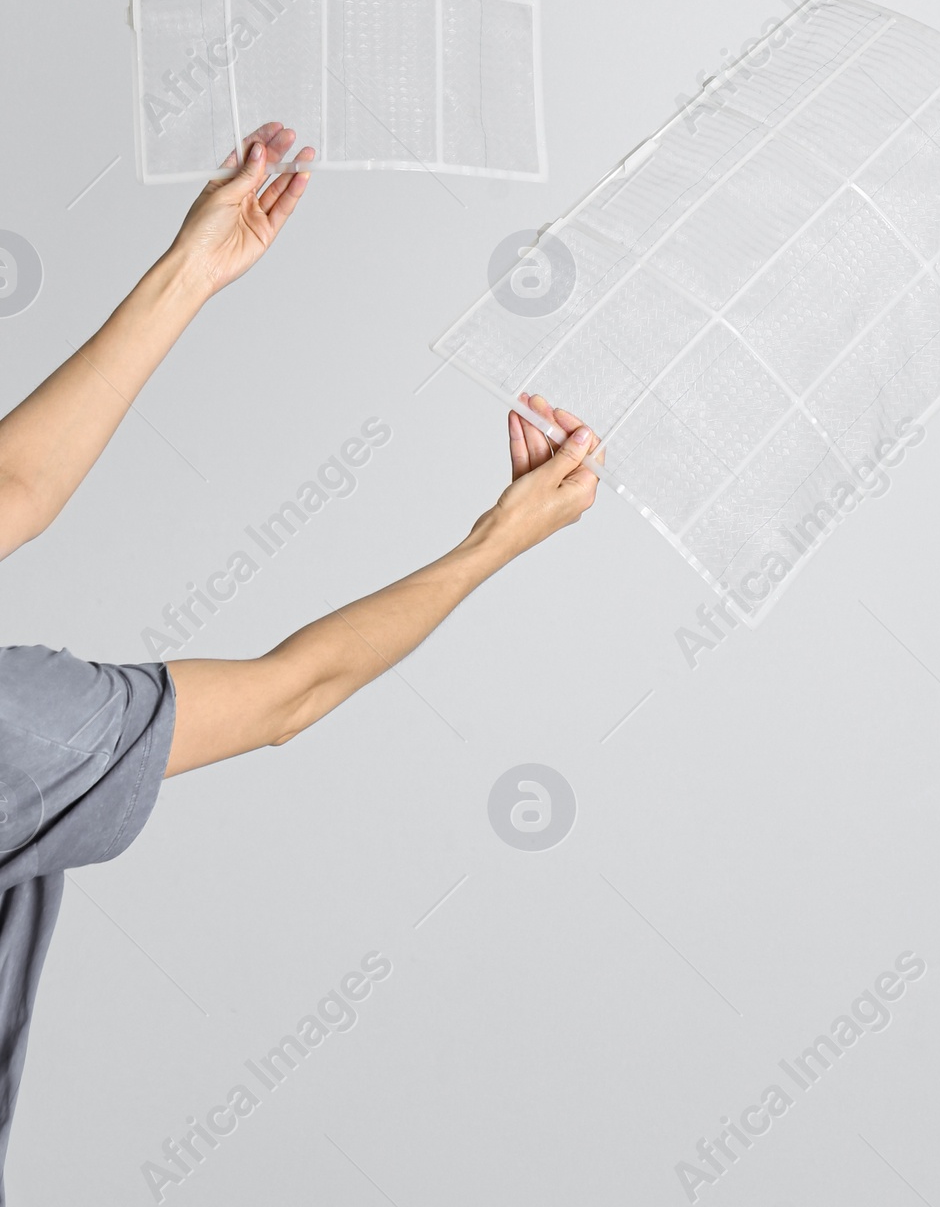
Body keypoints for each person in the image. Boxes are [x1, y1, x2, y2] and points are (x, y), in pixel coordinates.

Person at [0, 124, 599, 1198]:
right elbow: (287, 696)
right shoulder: (18, 733)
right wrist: (493, 544)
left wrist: (196, 266)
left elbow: (15, 489)